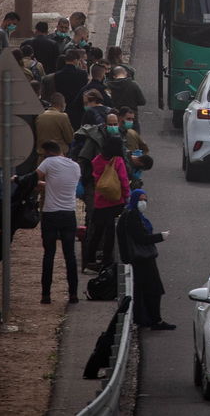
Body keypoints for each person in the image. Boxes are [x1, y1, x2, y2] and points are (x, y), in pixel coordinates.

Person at [117, 189, 174, 329]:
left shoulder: (132, 215)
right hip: (142, 258)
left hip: (140, 258)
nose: (143, 203)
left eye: (145, 200)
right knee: (153, 289)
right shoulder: (132, 217)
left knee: (145, 290)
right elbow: (140, 238)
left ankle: (147, 319)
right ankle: (155, 320)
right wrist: (160, 237)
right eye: (141, 200)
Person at [35, 140, 81, 304]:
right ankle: (73, 294)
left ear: (48, 152)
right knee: (70, 255)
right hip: (69, 214)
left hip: (51, 214)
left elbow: (34, 179)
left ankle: (46, 295)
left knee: (49, 254)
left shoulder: (48, 162)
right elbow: (60, 184)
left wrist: (19, 180)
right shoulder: (75, 166)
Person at [86, 133, 131, 272]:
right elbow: (123, 180)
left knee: (97, 232)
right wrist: (127, 196)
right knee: (111, 233)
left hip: (100, 201)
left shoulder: (97, 160)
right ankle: (106, 260)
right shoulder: (118, 161)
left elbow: (94, 177)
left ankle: (90, 260)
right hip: (115, 202)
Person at [53, 49, 88, 124]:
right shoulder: (82, 74)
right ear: (75, 60)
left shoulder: (58, 75)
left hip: (63, 106)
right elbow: (85, 90)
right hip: (78, 108)